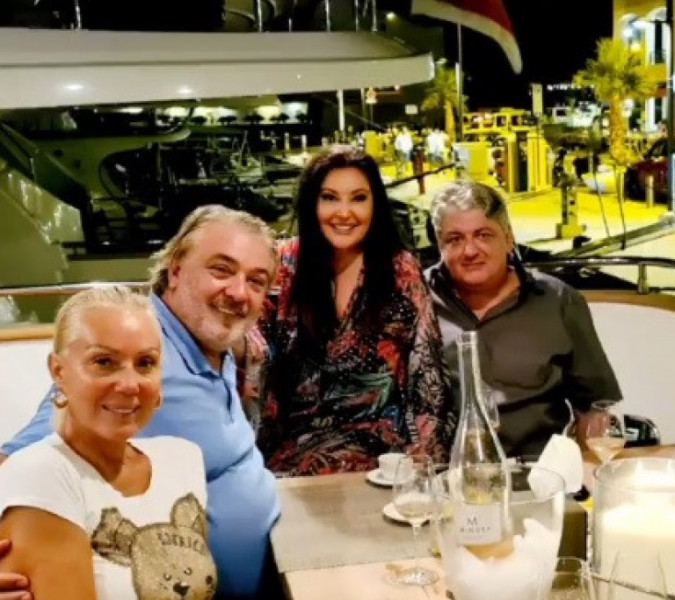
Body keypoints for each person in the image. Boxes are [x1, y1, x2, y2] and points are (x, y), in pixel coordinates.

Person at [1, 206, 282, 599]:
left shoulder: (215, 345)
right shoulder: (143, 349)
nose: (239, 293)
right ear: (176, 270)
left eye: (256, 281)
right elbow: (18, 463)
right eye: (221, 270)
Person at [0, 287, 217, 600]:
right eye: (104, 361)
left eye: (145, 362)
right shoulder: (41, 476)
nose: (129, 384)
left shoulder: (183, 458)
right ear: (58, 371)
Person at [256, 145, 453, 476]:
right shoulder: (282, 265)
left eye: (358, 198)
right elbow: (252, 352)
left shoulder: (400, 270)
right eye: (330, 198)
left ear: (375, 204)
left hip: (382, 461)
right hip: (288, 459)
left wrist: (427, 468)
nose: (344, 212)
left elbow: (427, 373)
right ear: (311, 203)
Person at [425, 181, 622, 457]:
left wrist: (588, 467)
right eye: (455, 239)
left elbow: (593, 407)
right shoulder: (416, 300)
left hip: (538, 472)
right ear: (439, 246)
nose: (470, 251)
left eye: (483, 235)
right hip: (444, 473)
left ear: (509, 239)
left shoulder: (558, 301)